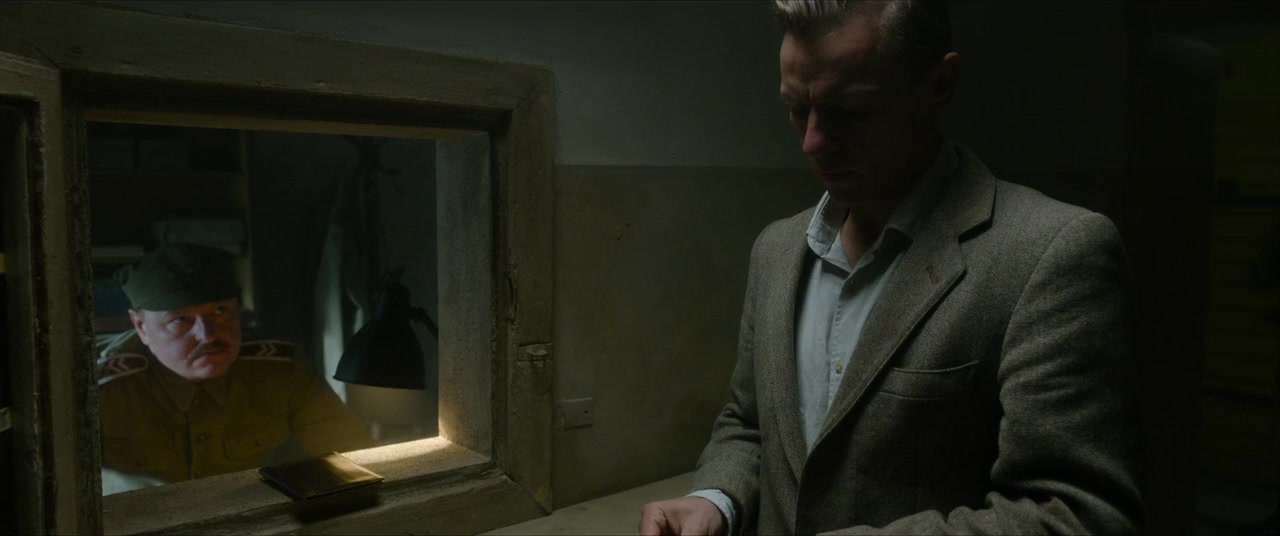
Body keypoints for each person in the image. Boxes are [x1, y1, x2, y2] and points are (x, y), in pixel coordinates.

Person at [639, 1, 1143, 534]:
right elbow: (748, 424)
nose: (812, 142)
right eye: (797, 108)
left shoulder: (1052, 255)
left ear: (939, 85)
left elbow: (1078, 514)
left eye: (849, 110)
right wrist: (717, 499)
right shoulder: (776, 250)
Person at [97, 242, 376, 493]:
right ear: (141, 327)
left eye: (220, 311)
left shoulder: (279, 370)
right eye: (181, 320)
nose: (208, 336)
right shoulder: (101, 390)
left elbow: (354, 456)